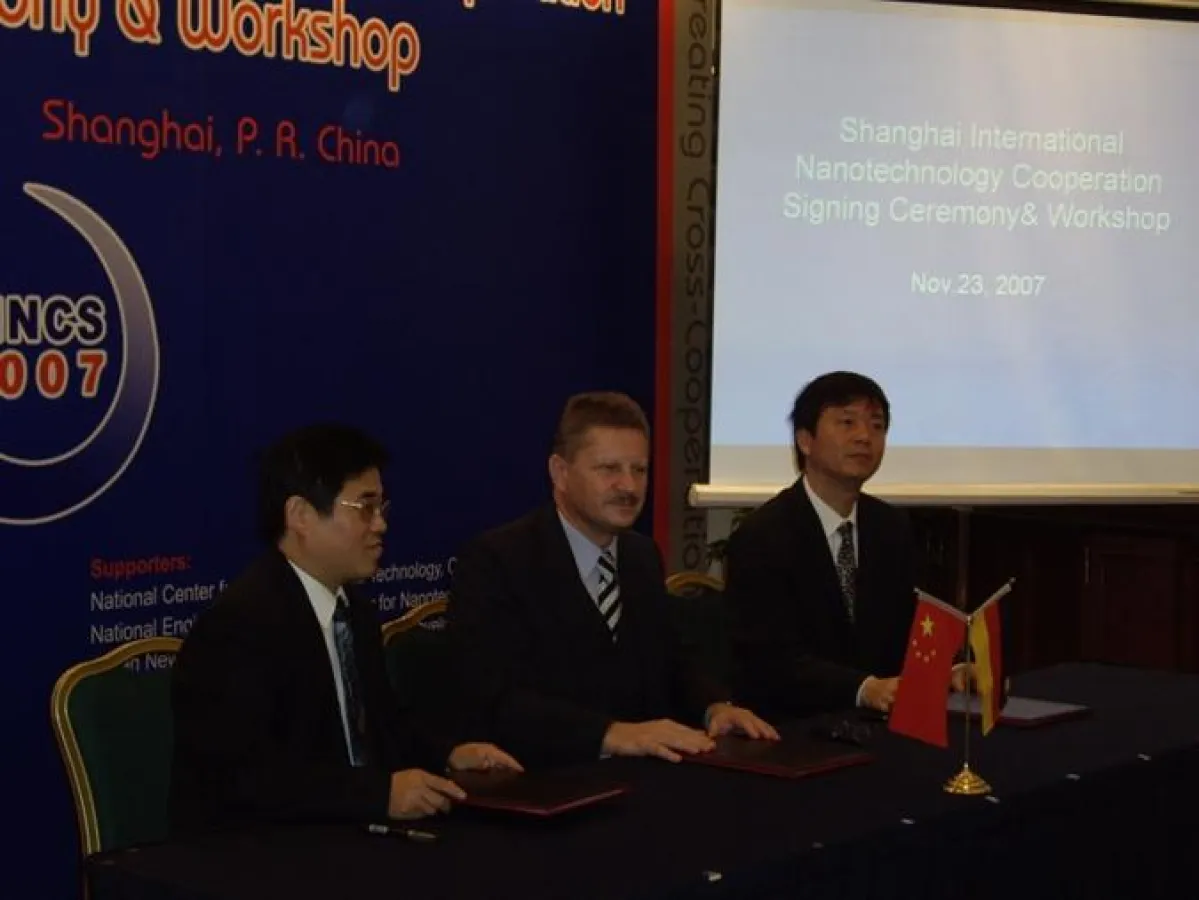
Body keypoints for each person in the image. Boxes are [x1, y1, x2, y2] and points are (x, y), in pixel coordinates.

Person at [169, 424, 520, 835]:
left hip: (343, 834)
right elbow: (246, 778)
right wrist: (378, 794)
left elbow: (381, 725)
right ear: (300, 515)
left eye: (382, 509)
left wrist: (449, 755)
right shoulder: (238, 627)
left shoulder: (355, 611)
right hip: (255, 853)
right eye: (364, 508)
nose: (380, 526)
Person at [446, 392, 777, 768]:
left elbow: (670, 661)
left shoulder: (641, 556)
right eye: (609, 469)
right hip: (543, 781)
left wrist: (713, 707)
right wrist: (611, 734)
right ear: (560, 472)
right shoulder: (498, 561)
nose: (629, 487)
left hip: (642, 779)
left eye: (639, 470)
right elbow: (493, 699)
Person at [724, 371, 954, 718]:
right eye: (847, 423)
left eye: (877, 426)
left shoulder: (891, 527)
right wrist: (863, 688)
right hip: (794, 732)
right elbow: (770, 660)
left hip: (883, 726)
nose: (864, 436)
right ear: (805, 441)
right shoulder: (763, 536)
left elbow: (916, 625)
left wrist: (952, 668)